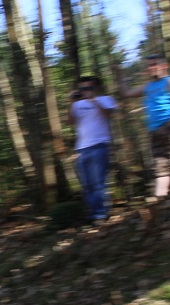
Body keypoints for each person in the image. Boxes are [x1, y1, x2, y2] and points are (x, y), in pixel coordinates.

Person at [116, 54, 170, 198]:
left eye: (154, 64)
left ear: (164, 66)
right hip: (156, 133)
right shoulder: (148, 87)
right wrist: (120, 76)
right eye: (148, 65)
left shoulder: (168, 81)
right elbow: (127, 93)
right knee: (161, 169)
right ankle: (161, 201)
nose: (150, 68)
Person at [68, 76, 116, 223]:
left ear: (96, 88)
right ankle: (94, 213)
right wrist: (70, 102)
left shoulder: (106, 99)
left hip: (100, 145)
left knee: (98, 182)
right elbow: (70, 121)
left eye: (88, 88)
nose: (85, 91)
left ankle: (101, 213)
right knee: (87, 184)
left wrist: (94, 100)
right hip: (82, 148)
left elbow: (108, 115)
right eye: (82, 89)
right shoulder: (77, 104)